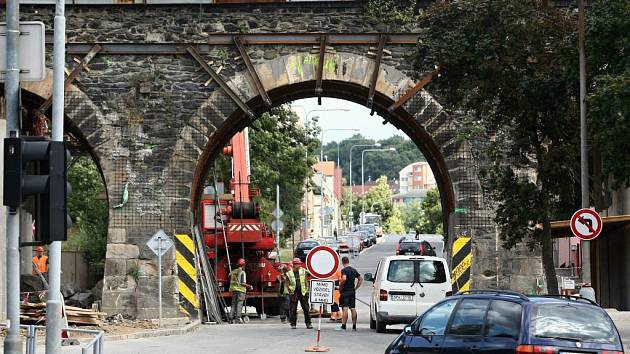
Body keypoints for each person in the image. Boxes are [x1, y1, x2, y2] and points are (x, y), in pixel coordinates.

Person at [338, 256, 363, 331]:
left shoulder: (344, 270)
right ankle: (354, 326)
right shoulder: (354, 270)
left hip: (345, 291)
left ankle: (344, 326)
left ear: (342, 262)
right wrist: (356, 287)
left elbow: (344, 278)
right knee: (353, 308)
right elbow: (360, 279)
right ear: (348, 261)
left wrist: (340, 286)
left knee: (345, 308)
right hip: (352, 291)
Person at [287, 258, 312, 329]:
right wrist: (290, 292)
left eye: (300, 264)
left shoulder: (304, 271)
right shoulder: (289, 273)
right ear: (294, 265)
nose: (299, 265)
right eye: (298, 264)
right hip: (294, 293)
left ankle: (308, 323)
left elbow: (311, 273)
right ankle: (293, 324)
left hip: (303, 293)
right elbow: (287, 283)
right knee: (293, 309)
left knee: (306, 309)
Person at [229, 258, 253, 324]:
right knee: (239, 304)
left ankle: (230, 318)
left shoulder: (233, 272)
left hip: (234, 290)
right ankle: (237, 319)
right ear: (244, 265)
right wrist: (250, 286)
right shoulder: (242, 272)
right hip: (240, 291)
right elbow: (243, 283)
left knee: (233, 304)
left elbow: (229, 276)